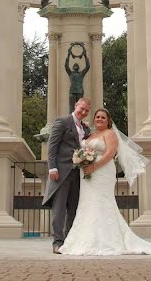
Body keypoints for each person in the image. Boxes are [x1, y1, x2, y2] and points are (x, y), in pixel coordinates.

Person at [59, 108, 151, 256]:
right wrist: (81, 160)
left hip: (102, 172)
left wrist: (94, 166)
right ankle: (84, 239)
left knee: (102, 201)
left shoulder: (110, 134)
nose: (99, 119)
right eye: (97, 117)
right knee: (87, 203)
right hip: (87, 175)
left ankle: (106, 240)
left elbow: (110, 153)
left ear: (108, 121)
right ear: (94, 119)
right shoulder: (91, 135)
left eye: (103, 117)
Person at [42, 97, 92, 254]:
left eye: (86, 110)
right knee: (59, 209)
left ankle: (69, 241)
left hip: (78, 175)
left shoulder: (86, 129)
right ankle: (57, 242)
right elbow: (52, 145)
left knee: (73, 208)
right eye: (81, 108)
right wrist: (52, 168)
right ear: (76, 105)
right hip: (62, 172)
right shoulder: (62, 121)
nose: (83, 112)